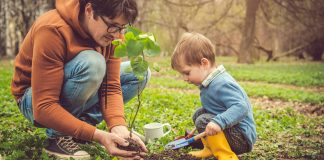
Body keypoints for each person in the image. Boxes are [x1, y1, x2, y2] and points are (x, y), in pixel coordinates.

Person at [11, 0, 149, 159]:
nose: (118, 35)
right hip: (34, 101)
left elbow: (110, 87)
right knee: (93, 63)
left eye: (122, 28)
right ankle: (59, 136)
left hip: (73, 88)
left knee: (139, 73)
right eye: (113, 25)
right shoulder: (52, 29)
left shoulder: (112, 35)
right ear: (89, 10)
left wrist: (118, 126)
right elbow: (44, 106)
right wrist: (98, 136)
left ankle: (81, 129)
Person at [171, 32, 257, 160]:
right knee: (198, 114)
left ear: (204, 63)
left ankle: (226, 155)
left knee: (203, 120)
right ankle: (209, 149)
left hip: (241, 138)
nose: (185, 78)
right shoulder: (210, 82)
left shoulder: (222, 83)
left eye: (187, 73)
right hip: (232, 132)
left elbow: (241, 107)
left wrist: (219, 122)